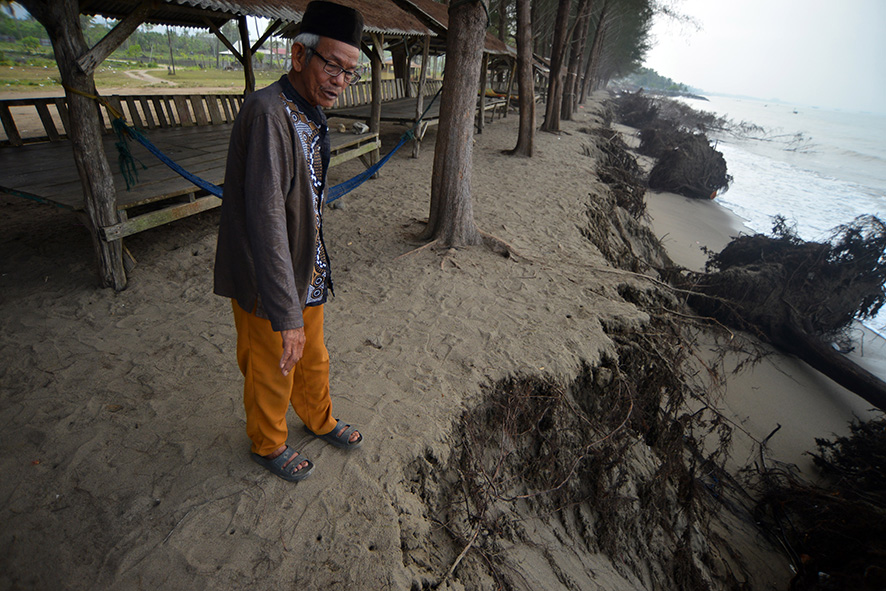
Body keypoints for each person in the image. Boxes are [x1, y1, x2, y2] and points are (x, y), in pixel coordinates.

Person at [214, 0, 365, 482]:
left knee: (313, 357)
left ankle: (318, 420)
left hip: (305, 268)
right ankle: (268, 443)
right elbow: (265, 222)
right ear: (299, 57)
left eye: (350, 72)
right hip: (267, 276)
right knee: (273, 365)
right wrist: (285, 312)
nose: (340, 80)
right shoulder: (266, 113)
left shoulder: (308, 108)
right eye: (332, 65)